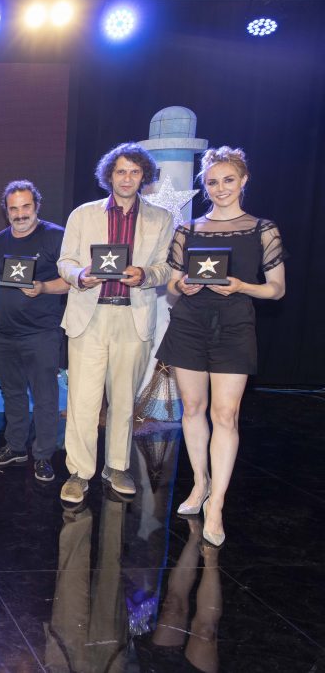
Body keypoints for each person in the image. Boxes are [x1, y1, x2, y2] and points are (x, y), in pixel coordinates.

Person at [156, 147, 285, 546]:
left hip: (234, 326)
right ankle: (200, 484)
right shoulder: (187, 229)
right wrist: (182, 285)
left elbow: (277, 289)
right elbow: (172, 285)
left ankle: (217, 505)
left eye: (228, 180)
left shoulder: (263, 229)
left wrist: (243, 286)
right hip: (189, 324)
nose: (220, 188)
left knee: (225, 415)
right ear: (205, 185)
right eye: (212, 182)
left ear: (243, 180)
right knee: (193, 409)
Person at [57, 143, 174, 504]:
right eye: (121, 171)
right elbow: (65, 261)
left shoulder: (161, 218)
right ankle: (79, 473)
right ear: (109, 175)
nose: (127, 178)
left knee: (124, 400)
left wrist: (146, 274)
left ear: (144, 176)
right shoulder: (83, 215)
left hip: (133, 317)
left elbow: (167, 268)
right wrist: (81, 275)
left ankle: (118, 467)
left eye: (135, 172)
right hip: (89, 317)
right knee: (83, 400)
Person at [0, 181, 68, 482]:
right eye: (13, 208)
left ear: (37, 206)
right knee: (13, 393)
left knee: (45, 397)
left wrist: (43, 287)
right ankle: (16, 447)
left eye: (26, 206)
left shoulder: (56, 236)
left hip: (41, 334)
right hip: (3, 335)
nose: (20, 214)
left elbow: (71, 282)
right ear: (6, 211)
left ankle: (43, 456)